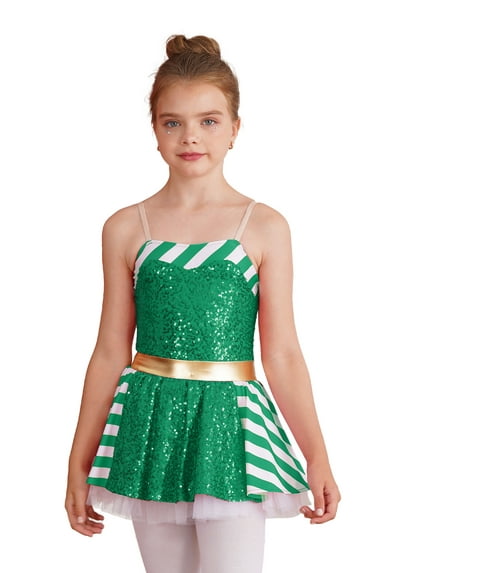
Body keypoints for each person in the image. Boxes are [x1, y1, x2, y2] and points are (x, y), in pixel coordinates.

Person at [65, 34, 341, 573]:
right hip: (150, 424)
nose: (190, 136)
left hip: (231, 426)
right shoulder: (126, 228)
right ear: (154, 129)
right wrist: (79, 462)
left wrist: (318, 454)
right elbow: (109, 352)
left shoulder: (263, 226)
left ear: (235, 129)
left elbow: (281, 353)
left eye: (209, 121)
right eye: (173, 122)